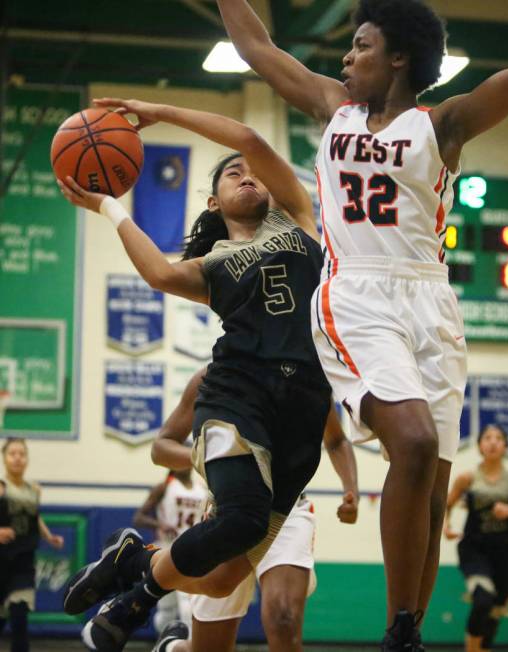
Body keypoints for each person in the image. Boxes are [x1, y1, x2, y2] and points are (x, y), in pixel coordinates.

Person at [215, 0, 508, 648]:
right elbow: (257, 49)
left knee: (431, 490)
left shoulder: (443, 126)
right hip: (357, 294)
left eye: (360, 45)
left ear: (399, 57)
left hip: (431, 305)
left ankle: (403, 627)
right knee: (408, 442)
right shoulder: (332, 108)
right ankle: (402, 628)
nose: (346, 57)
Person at [58, 98, 333, 652]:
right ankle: (136, 602)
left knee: (222, 575)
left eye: (253, 172)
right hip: (240, 391)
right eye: (234, 173)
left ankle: (130, 559)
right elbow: (158, 272)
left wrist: (156, 111)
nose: (248, 174)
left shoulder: (299, 217)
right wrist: (112, 208)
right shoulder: (211, 265)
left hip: (305, 407)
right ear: (215, 200)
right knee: (243, 520)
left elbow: (252, 141)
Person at [148, 368, 358, 652]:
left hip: (286, 510)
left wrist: (351, 488)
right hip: (226, 513)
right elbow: (161, 448)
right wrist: (203, 455)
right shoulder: (210, 378)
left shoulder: (301, 376)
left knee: (283, 618)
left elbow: (336, 439)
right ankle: (177, 647)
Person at [444, 425, 508, 652]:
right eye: (487, 438)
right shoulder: (467, 478)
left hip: (504, 551)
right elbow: (446, 506)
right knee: (482, 599)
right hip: (474, 548)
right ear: (479, 446)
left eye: (498, 438)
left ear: (505, 445)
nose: (493, 442)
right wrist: (446, 527)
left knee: (495, 611)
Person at [0, 438, 64, 652]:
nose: (17, 458)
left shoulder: (34, 489)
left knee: (20, 617)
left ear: (27, 459)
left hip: (23, 560)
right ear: (4, 458)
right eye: (12, 453)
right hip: (1, 559)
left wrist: (48, 536)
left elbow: (34, 517)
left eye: (22, 454)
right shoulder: (1, 488)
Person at [133, 468, 210, 632]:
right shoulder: (164, 487)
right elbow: (138, 517)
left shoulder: (201, 489)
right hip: (167, 549)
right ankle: (164, 643)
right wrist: (159, 524)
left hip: (193, 550)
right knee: (166, 608)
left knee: (187, 603)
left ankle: (189, 645)